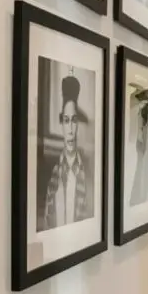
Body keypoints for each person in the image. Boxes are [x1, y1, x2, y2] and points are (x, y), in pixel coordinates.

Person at [43, 74, 89, 228]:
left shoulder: (86, 173)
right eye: (66, 120)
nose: (70, 129)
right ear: (61, 124)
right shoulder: (54, 174)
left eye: (74, 120)